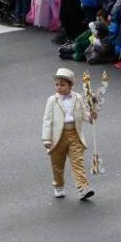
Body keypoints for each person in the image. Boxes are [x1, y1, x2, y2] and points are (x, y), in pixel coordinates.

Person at [42, 68, 96, 200]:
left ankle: (83, 188)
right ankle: (58, 186)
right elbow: (47, 120)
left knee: (78, 162)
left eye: (62, 84)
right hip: (57, 137)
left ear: (70, 85)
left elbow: (84, 115)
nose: (59, 88)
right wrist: (46, 139)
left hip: (74, 134)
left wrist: (91, 116)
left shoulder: (78, 98)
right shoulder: (52, 100)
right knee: (57, 164)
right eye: (57, 84)